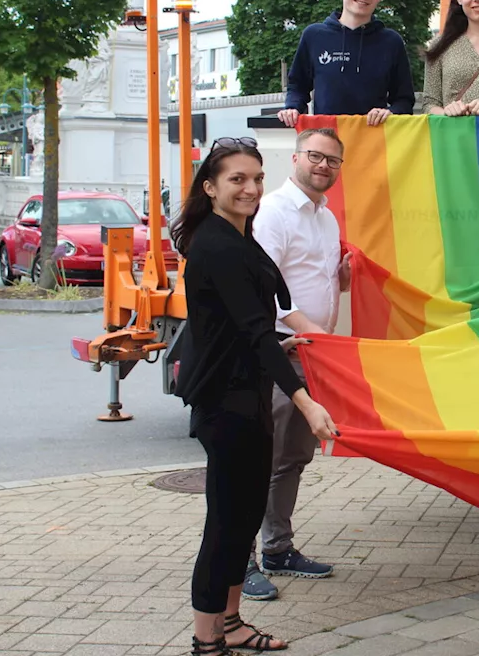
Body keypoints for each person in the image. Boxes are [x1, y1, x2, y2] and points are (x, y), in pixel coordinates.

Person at [171, 137, 338, 656]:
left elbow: (256, 317)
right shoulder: (216, 244)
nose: (250, 188)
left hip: (249, 392)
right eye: (237, 180)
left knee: (243, 517)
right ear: (211, 187)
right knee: (225, 524)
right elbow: (251, 330)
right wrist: (306, 401)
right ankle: (207, 641)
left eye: (256, 178)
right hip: (225, 399)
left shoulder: (240, 236)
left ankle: (233, 623)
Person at [241, 128, 350, 600]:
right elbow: (266, 291)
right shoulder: (274, 213)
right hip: (283, 352)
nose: (324, 166)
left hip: (313, 354)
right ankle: (239, 561)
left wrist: (343, 278)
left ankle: (278, 549)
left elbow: (318, 282)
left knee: (292, 458)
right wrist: (316, 333)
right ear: (296, 158)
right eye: (316, 156)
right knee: (260, 461)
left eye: (333, 161)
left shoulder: (326, 218)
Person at [277, 0, 415, 127]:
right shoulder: (314, 36)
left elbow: (404, 101)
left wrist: (390, 113)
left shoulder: (392, 42)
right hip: (326, 143)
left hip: (373, 142)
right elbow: (298, 86)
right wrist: (293, 108)